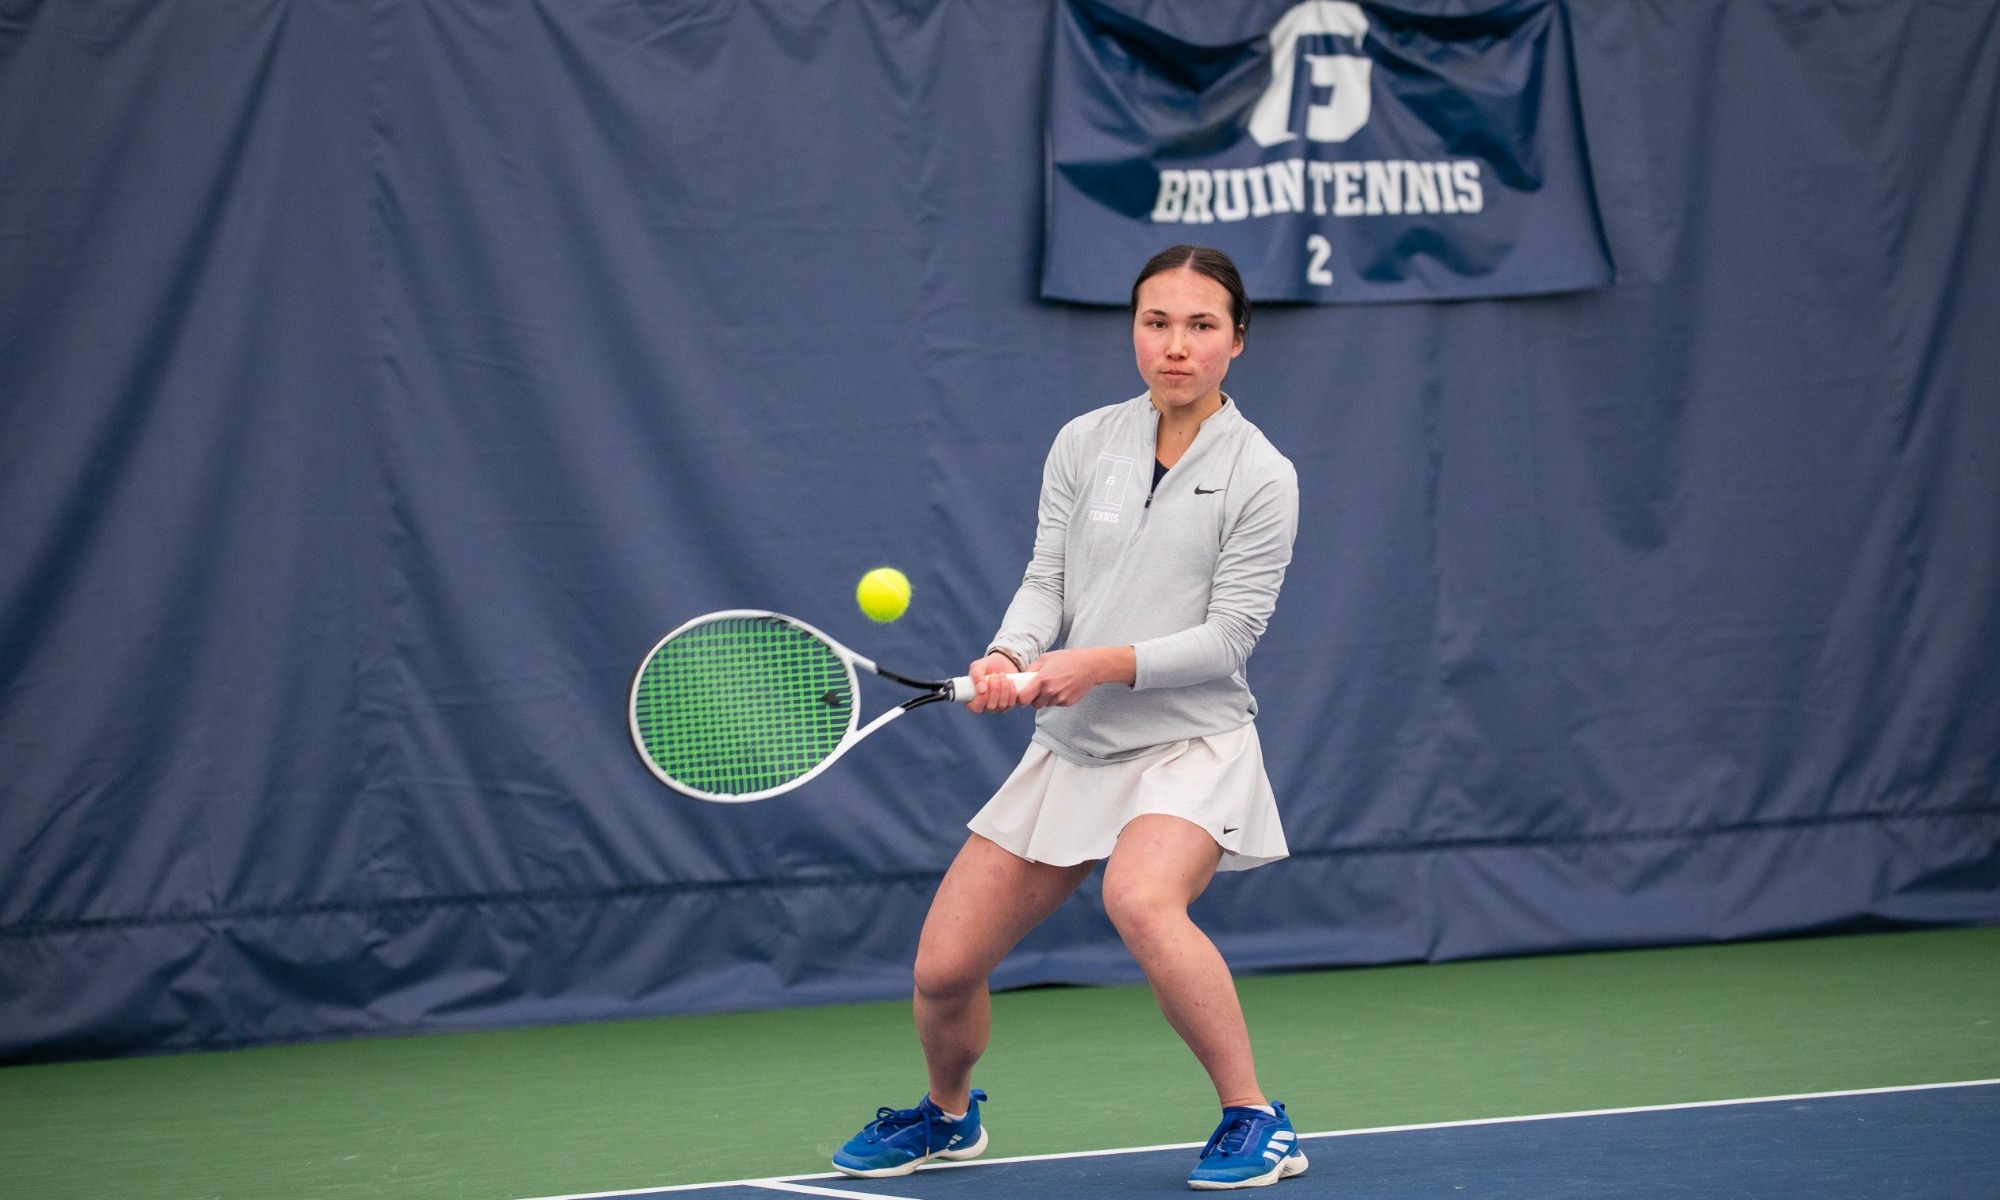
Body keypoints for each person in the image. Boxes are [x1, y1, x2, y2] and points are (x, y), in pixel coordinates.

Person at [832, 245, 1303, 1191]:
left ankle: (1257, 1117)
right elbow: (1046, 580)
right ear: (1135, 331)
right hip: (1075, 749)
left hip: (1189, 745)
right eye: (1156, 322)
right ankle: (947, 1117)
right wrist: (1011, 655)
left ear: (1237, 340)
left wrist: (1095, 664)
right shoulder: (1084, 442)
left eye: (1201, 325)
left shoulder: (1263, 474)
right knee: (943, 968)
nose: (1176, 345)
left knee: (1140, 897)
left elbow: (1228, 640)